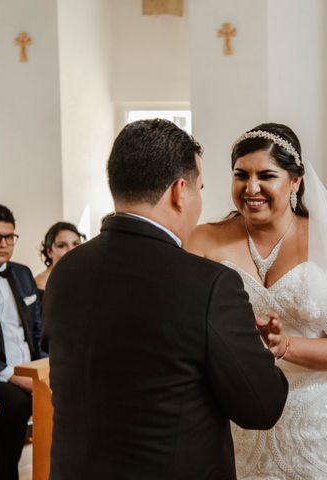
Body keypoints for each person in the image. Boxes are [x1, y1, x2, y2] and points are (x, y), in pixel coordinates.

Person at [42, 119, 289, 480]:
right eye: (200, 188)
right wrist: (258, 349)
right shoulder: (209, 284)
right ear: (179, 191)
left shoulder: (65, 271)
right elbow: (262, 407)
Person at [187, 123, 327, 479]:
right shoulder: (205, 240)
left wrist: (284, 345)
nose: (251, 188)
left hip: (315, 428)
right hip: (239, 424)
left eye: (266, 175)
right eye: (241, 175)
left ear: (295, 181)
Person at [0, 202, 44, 480]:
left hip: (28, 368)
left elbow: (38, 329)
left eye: (9, 237)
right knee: (16, 402)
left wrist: (44, 368)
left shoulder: (22, 273)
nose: (3, 243)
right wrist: (10, 374)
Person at [34, 222, 85, 294]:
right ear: (49, 252)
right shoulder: (40, 284)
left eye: (76, 244)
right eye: (61, 245)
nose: (71, 250)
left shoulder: (83, 277)